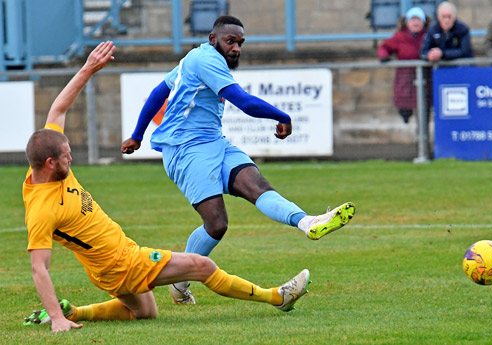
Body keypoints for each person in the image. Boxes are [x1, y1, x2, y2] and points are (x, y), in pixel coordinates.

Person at [22, 41, 311, 333]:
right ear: (49, 162)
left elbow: (58, 107)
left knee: (145, 312)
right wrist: (56, 321)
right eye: (66, 157)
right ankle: (277, 297)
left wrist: (89, 68)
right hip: (123, 262)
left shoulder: (46, 165)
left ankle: (73, 310)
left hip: (106, 269)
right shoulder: (42, 209)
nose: (71, 159)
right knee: (202, 266)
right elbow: (39, 268)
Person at [121, 15, 355, 304]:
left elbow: (160, 91)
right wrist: (282, 116)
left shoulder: (197, 58)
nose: (236, 48)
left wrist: (137, 135)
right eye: (230, 41)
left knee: (257, 185)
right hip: (184, 148)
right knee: (216, 224)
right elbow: (243, 102)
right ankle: (179, 282)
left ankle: (308, 222)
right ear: (213, 39)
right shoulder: (205, 60)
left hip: (213, 142)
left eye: (240, 43)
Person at [378, 7, 432, 124]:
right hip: (405, 79)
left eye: (418, 20)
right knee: (405, 108)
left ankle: (423, 138)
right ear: (407, 22)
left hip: (425, 78)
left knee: (424, 109)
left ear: (423, 22)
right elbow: (384, 47)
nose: (415, 23)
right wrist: (384, 56)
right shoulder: (400, 36)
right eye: (413, 20)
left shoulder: (429, 35)